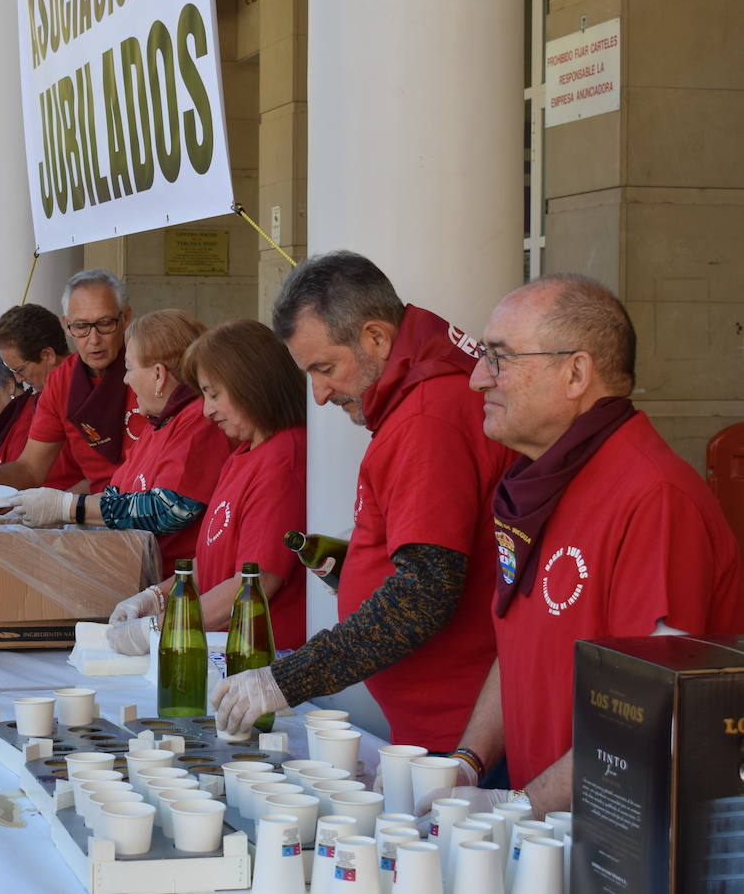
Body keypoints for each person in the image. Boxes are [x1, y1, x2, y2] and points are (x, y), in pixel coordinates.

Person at [410, 275, 744, 819]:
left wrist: (516, 808)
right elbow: (517, 644)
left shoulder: (652, 496)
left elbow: (652, 708)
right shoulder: (539, 481)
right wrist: (469, 761)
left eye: (499, 357)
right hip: (549, 826)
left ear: (575, 373)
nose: (475, 378)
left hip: (625, 838)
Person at [211, 252, 512, 752]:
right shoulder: (425, 397)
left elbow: (424, 593)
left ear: (375, 337)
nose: (321, 395)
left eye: (325, 368)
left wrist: (287, 679)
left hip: (457, 732)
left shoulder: (426, 417)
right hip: (445, 721)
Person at [107, 319, 308, 651]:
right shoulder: (243, 452)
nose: (207, 409)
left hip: (265, 657)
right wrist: (156, 597)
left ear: (252, 384)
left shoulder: (283, 457)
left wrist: (161, 627)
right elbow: (215, 559)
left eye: (214, 394)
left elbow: (254, 583)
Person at [11, 309, 235, 579]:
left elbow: (169, 508)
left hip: (182, 588)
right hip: (141, 576)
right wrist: (55, 517)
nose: (126, 380)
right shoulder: (157, 425)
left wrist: (69, 508)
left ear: (158, 376)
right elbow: (117, 496)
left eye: (129, 368)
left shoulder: (198, 420)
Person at [0, 270, 137, 498]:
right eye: (81, 327)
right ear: (67, 325)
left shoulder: (147, 369)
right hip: (100, 516)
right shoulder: (60, 382)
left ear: (126, 318)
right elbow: (30, 468)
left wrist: (66, 507)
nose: (93, 339)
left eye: (105, 323)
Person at [0, 303, 82, 487]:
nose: (18, 379)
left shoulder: (85, 387)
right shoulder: (44, 396)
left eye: (20, 369)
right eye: (11, 370)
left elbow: (105, 477)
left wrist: (64, 507)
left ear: (48, 355)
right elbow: (29, 467)